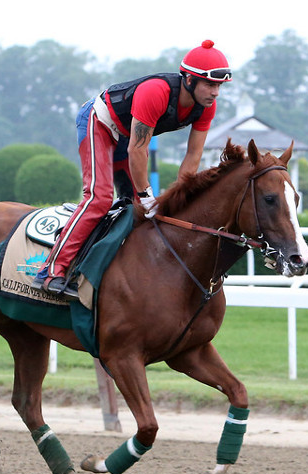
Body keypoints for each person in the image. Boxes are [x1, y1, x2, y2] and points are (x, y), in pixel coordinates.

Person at [32, 39, 232, 299]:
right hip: (100, 122)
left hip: (127, 137)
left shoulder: (206, 107)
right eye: (210, 84)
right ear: (189, 80)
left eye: (219, 86)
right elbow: (137, 150)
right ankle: (51, 271)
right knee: (99, 197)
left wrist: (182, 197)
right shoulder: (156, 92)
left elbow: (193, 155)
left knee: (137, 210)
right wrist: (149, 195)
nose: (215, 92)